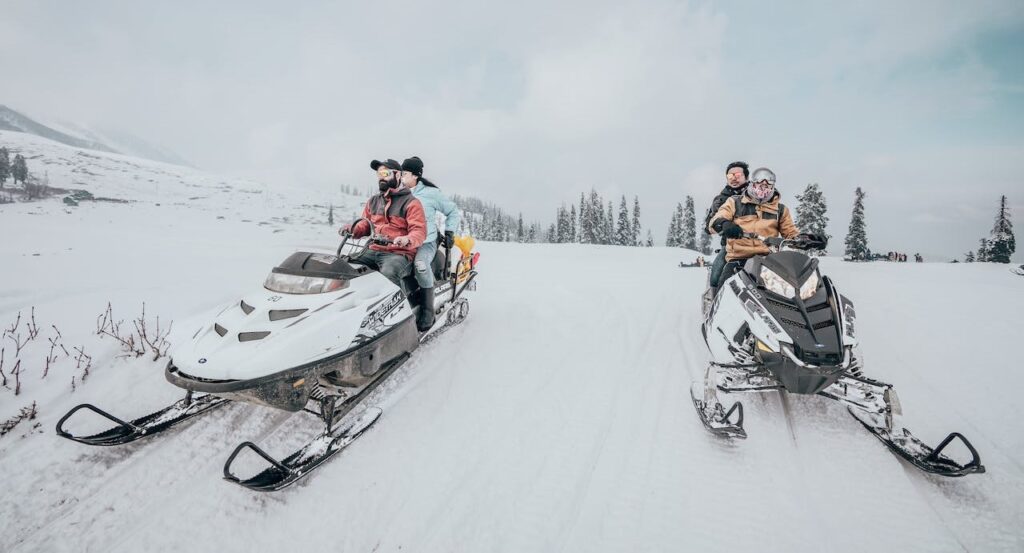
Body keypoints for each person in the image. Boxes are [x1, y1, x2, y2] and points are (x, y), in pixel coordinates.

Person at [341, 158, 427, 300]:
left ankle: (398, 312)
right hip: (372, 250)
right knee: (346, 266)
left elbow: (419, 231)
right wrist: (353, 229)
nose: (381, 178)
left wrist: (407, 239)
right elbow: (365, 225)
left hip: (398, 253)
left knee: (388, 273)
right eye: (379, 174)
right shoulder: (374, 201)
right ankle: (351, 304)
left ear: (398, 175)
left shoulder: (412, 203)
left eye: (385, 174)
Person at [400, 156, 461, 331]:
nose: (402, 177)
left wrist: (450, 231)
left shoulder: (430, 193)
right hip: (404, 242)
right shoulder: (400, 194)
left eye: (405, 173)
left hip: (426, 242)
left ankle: (427, 310)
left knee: (420, 264)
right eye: (401, 173)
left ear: (415, 176)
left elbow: (453, 211)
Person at [707, 167, 801, 279]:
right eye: (759, 184)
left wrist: (806, 239)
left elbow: (791, 234)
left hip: (768, 262)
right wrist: (723, 223)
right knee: (724, 284)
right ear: (752, 184)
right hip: (738, 259)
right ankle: (717, 294)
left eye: (767, 186)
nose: (763, 188)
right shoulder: (735, 202)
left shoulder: (780, 209)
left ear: (772, 186)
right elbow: (716, 219)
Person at [704, 161, 750, 288]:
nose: (734, 179)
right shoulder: (720, 200)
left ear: (746, 177)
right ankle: (715, 303)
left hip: (762, 245)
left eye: (738, 175)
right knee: (716, 275)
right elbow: (709, 224)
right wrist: (724, 225)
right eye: (730, 176)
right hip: (732, 246)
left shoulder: (760, 195)